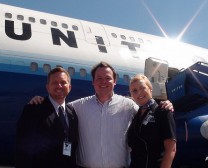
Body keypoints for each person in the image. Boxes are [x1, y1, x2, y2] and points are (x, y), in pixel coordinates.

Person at [29, 61, 174, 168]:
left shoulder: (129, 106)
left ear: (114, 81)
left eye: (108, 78)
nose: (103, 82)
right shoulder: (77, 106)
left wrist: (166, 104)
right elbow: (57, 108)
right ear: (93, 82)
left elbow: (148, 113)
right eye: (99, 78)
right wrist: (41, 101)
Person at [15, 67, 79, 168]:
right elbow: (23, 149)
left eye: (63, 82)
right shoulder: (33, 110)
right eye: (54, 83)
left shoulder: (72, 113)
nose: (59, 86)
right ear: (48, 87)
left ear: (69, 87)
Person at [127, 74, 176, 168]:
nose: (139, 93)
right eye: (134, 91)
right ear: (131, 95)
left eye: (142, 88)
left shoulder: (162, 111)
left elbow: (171, 149)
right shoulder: (135, 115)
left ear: (150, 89)